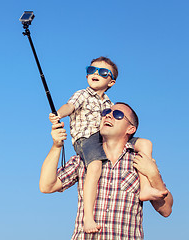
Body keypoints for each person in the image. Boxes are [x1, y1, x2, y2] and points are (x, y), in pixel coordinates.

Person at [48, 56, 167, 233]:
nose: (95, 74)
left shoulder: (109, 104)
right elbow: (70, 106)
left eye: (103, 72)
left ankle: (146, 188)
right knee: (95, 166)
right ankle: (88, 218)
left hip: (99, 139)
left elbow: (167, 210)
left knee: (146, 143)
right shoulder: (82, 94)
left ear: (111, 82)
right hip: (87, 139)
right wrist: (58, 115)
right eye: (91, 70)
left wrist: (152, 172)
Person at [40, 102, 173, 239]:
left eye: (118, 115)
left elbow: (166, 210)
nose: (108, 115)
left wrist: (153, 174)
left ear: (130, 129)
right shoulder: (85, 159)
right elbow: (46, 186)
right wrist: (56, 146)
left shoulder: (140, 162)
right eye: (106, 112)